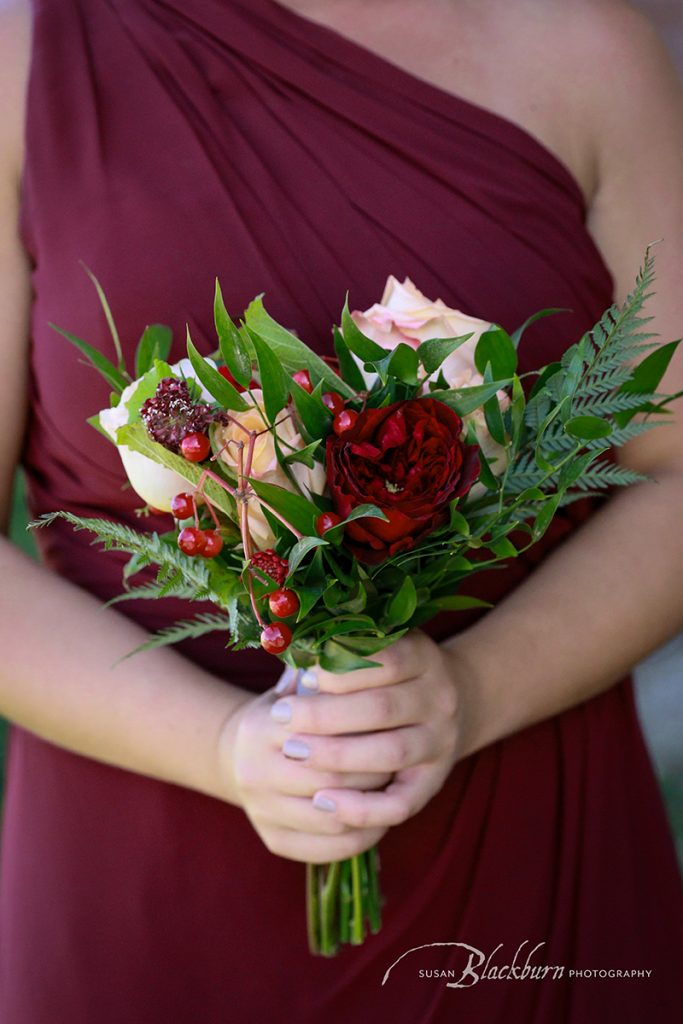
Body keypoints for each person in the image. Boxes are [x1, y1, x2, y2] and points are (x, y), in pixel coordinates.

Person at [0, 0, 682, 1020]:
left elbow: (675, 470)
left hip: (520, 836)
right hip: (142, 869)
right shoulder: (27, 51)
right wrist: (228, 745)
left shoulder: (585, 44)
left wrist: (471, 692)